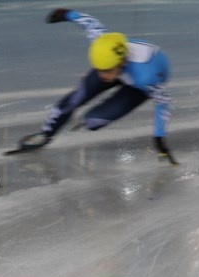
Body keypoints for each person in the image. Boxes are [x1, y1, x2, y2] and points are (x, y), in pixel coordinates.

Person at [12, 8, 176, 164]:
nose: (102, 76)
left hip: (137, 85)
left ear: (122, 62)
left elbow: (163, 102)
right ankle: (45, 134)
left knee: (93, 122)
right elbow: (90, 23)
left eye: (106, 71)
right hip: (124, 68)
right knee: (73, 100)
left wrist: (159, 137)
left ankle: (89, 118)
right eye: (99, 70)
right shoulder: (102, 44)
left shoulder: (147, 77)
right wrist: (67, 14)